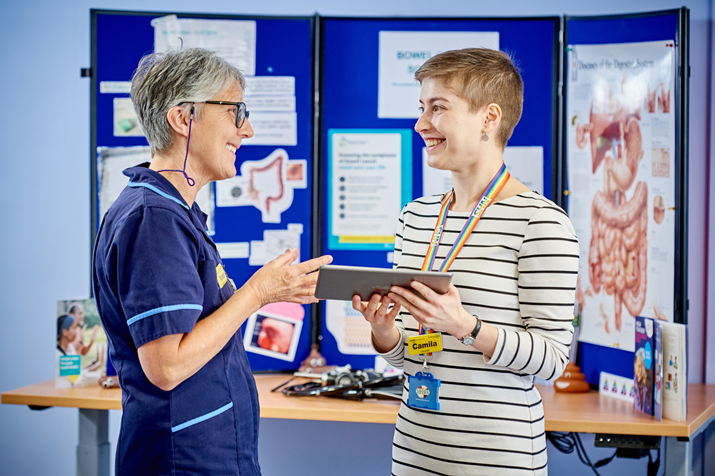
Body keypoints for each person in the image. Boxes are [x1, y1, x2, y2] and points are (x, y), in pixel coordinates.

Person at [93, 48, 332, 476]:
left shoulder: (172, 213)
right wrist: (259, 292)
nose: (248, 130)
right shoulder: (153, 220)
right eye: (235, 112)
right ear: (184, 118)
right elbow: (167, 366)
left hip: (205, 451)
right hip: (180, 458)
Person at [353, 48, 579, 475]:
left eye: (438, 108)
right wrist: (383, 331)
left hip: (498, 460)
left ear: (489, 118)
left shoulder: (542, 223)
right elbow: (410, 352)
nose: (421, 124)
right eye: (422, 107)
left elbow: (551, 360)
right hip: (414, 452)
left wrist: (466, 327)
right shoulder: (415, 217)